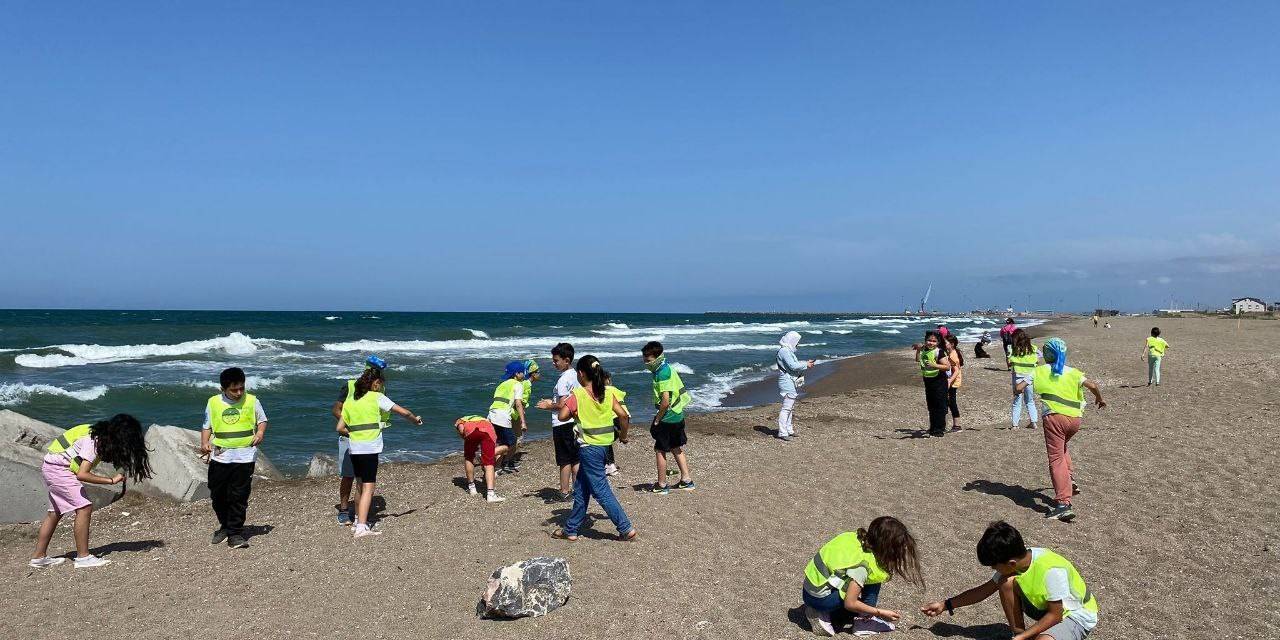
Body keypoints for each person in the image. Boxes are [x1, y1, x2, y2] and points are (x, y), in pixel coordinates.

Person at [921, 521, 1099, 640]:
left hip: (1074, 615)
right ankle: (1022, 634)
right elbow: (984, 590)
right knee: (1005, 583)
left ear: (1011, 562)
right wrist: (946, 604)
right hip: (1046, 608)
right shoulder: (1017, 561)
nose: (993, 569)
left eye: (994, 566)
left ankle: (1025, 637)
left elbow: (1055, 615)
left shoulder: (1052, 570)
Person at [30, 414, 153, 569]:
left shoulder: (99, 435)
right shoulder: (93, 442)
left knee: (55, 512)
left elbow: (114, 458)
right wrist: (111, 481)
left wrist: (122, 469)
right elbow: (82, 474)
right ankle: (83, 557)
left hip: (51, 466)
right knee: (84, 507)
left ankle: (39, 557)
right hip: (59, 469)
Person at [1014, 338, 1106, 522]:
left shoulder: (1038, 371)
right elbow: (1093, 385)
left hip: (1054, 418)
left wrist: (1021, 386)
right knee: (1062, 448)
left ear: (1047, 354)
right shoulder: (1073, 372)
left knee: (1055, 458)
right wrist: (1099, 399)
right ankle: (1069, 480)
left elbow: (1018, 388)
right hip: (1075, 420)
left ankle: (1063, 504)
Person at [552, 355, 637, 542]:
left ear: (581, 374)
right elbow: (623, 416)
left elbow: (562, 416)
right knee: (581, 487)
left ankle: (625, 527)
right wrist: (623, 436)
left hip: (588, 446)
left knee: (600, 490)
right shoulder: (607, 392)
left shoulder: (579, 394)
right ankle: (571, 529)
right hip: (604, 446)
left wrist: (571, 404)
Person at [336, 366, 424, 538]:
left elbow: (339, 427)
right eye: (380, 384)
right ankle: (361, 526)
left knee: (360, 484)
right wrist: (415, 421)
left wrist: (355, 432)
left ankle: (356, 520)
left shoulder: (351, 402)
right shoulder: (377, 397)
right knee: (369, 486)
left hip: (354, 448)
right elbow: (403, 412)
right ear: (375, 383)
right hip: (370, 448)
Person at [802, 516, 925, 637]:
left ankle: (823, 609)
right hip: (820, 599)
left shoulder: (854, 537)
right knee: (876, 575)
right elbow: (850, 603)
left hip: (810, 590)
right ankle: (863, 623)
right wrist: (879, 612)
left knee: (873, 573)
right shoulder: (862, 567)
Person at [201, 367, 268, 549]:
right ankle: (225, 526)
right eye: (234, 390)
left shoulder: (252, 400)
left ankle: (235, 534)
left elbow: (262, 420)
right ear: (223, 389)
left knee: (239, 496)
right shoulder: (213, 402)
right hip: (220, 456)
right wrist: (205, 442)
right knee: (217, 494)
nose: (239, 393)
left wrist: (260, 432)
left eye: (241, 388)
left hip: (245, 457)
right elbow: (207, 425)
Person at [331, 354, 387, 525]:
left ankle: (360, 515)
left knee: (363, 478)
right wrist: (351, 427)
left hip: (369, 439)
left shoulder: (380, 389)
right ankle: (343, 509)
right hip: (349, 436)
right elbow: (336, 409)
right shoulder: (349, 386)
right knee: (348, 475)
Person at [642, 341, 695, 493]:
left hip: (668, 417)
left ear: (657, 357)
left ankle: (662, 485)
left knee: (660, 450)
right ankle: (686, 480)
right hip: (678, 415)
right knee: (675, 447)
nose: (646, 362)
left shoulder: (662, 373)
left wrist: (657, 419)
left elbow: (665, 401)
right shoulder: (667, 367)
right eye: (644, 359)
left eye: (648, 359)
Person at [536, 343, 579, 500]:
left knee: (564, 459)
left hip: (562, 423)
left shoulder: (563, 379)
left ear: (566, 360)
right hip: (574, 421)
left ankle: (564, 491)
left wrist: (548, 405)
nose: (553, 363)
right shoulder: (576, 375)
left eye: (556, 360)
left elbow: (562, 405)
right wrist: (553, 401)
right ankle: (578, 490)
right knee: (575, 458)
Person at [488, 361, 528, 474]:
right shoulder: (518, 384)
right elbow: (518, 404)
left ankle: (497, 467)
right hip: (502, 415)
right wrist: (523, 421)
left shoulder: (501, 384)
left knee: (501, 443)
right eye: (522, 372)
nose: (524, 375)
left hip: (491, 414)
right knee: (511, 443)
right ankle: (487, 455)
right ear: (517, 374)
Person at [455, 415, 506, 502]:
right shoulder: (483, 419)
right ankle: (490, 494)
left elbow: (462, 431)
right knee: (489, 463)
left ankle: (472, 488)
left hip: (470, 431)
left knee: (469, 458)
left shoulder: (460, 420)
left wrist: (467, 440)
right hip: (487, 430)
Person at [776, 330, 815, 442]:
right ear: (792, 341)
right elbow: (793, 366)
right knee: (787, 407)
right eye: (797, 342)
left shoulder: (787, 350)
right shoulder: (784, 351)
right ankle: (783, 432)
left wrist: (805, 363)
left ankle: (789, 430)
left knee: (790, 407)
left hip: (789, 381)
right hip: (787, 382)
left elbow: (793, 365)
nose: (798, 344)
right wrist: (806, 364)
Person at [912, 331, 952, 437]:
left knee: (939, 405)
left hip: (939, 381)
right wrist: (918, 351)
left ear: (938, 343)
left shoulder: (939, 352)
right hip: (928, 380)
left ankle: (939, 429)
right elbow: (917, 360)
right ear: (925, 341)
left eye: (934, 341)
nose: (931, 343)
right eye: (929, 340)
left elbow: (947, 367)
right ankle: (933, 427)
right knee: (931, 405)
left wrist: (935, 365)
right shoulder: (925, 350)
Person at [1008, 329, 1040, 430]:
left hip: (1017, 377)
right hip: (1030, 378)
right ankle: (1033, 422)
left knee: (1017, 400)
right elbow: (1038, 359)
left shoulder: (1012, 349)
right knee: (1030, 400)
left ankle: (1015, 425)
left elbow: (1009, 363)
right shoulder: (1034, 349)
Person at [603, 372, 627, 476]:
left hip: (615, 418)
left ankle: (610, 465)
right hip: (624, 418)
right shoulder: (615, 389)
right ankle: (609, 463)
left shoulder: (605, 391)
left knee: (605, 442)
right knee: (607, 442)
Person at [945, 335, 964, 432]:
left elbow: (956, 370)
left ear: (952, 344)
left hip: (953, 381)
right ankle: (955, 425)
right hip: (954, 381)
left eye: (945, 343)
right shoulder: (953, 352)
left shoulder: (953, 355)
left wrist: (949, 381)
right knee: (950, 402)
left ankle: (957, 425)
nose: (944, 344)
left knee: (951, 402)